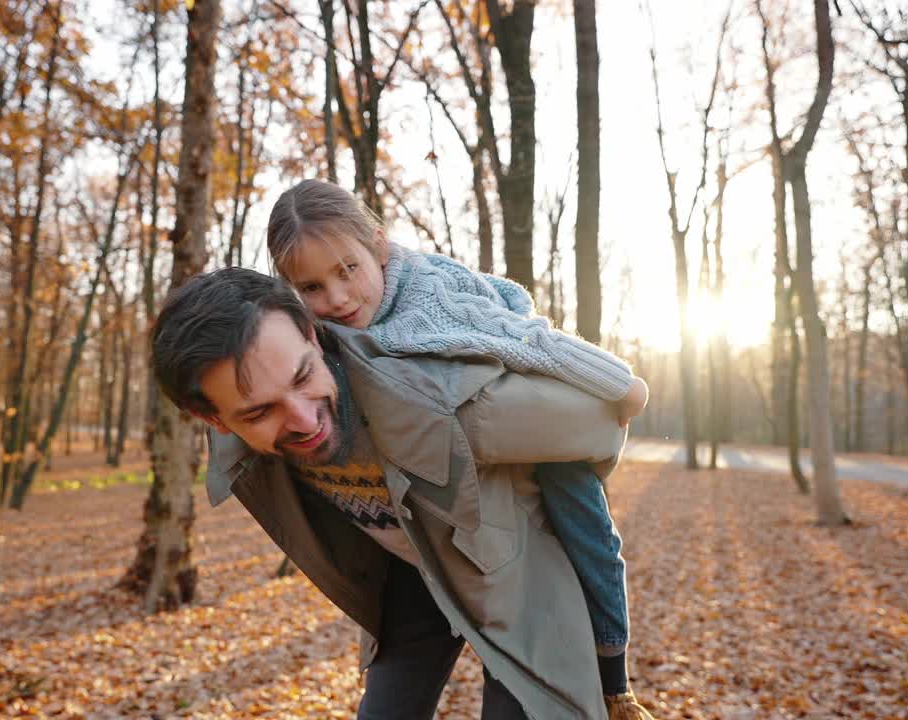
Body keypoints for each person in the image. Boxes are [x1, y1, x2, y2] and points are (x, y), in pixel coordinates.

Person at [152, 267, 656, 719]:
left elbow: (599, 422)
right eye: (260, 412)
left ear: (311, 333)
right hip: (416, 580)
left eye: (304, 375)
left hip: (521, 586)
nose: (305, 421)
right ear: (213, 420)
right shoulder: (236, 449)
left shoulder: (432, 399)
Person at [265, 179, 649, 714]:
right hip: (426, 539)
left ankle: (614, 675)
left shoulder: (432, 306)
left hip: (521, 400)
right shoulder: (314, 334)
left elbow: (531, 341)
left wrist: (622, 386)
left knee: (584, 517)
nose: (337, 298)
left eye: (347, 270)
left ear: (377, 245)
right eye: (311, 287)